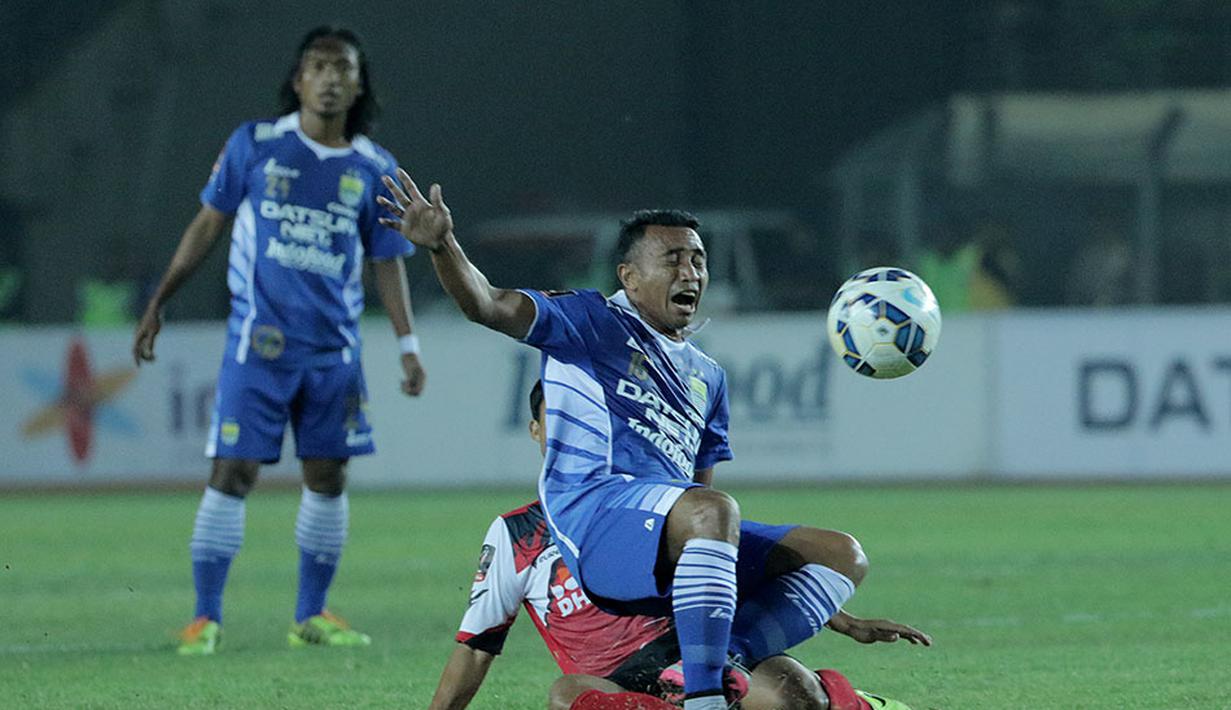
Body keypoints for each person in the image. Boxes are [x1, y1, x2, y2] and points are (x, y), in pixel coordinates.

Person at [381, 175, 893, 708]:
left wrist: (825, 609)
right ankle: (705, 700)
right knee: (711, 511)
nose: (690, 271)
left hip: (665, 528)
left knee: (840, 556)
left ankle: (721, 663)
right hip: (595, 519)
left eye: (697, 259)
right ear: (628, 276)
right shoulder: (589, 321)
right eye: (672, 259)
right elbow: (486, 303)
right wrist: (443, 246)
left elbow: (700, 499)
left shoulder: (707, 376)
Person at [132, 26, 426, 655]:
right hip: (257, 346)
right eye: (317, 66)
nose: (329, 78)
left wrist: (407, 344)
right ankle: (204, 618)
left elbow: (387, 260)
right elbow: (207, 225)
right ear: (298, 80)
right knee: (232, 471)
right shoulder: (256, 145)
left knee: (327, 476)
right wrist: (160, 301)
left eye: (342, 67)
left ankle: (310, 616)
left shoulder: (375, 167)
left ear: (358, 83)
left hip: (335, 353)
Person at [430, 382, 929, 710]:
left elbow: (721, 570)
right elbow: (475, 650)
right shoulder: (517, 534)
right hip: (620, 684)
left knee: (792, 695)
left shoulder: (656, 503)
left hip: (702, 651)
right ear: (537, 430)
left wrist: (842, 620)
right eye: (561, 422)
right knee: (567, 698)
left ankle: (845, 701)